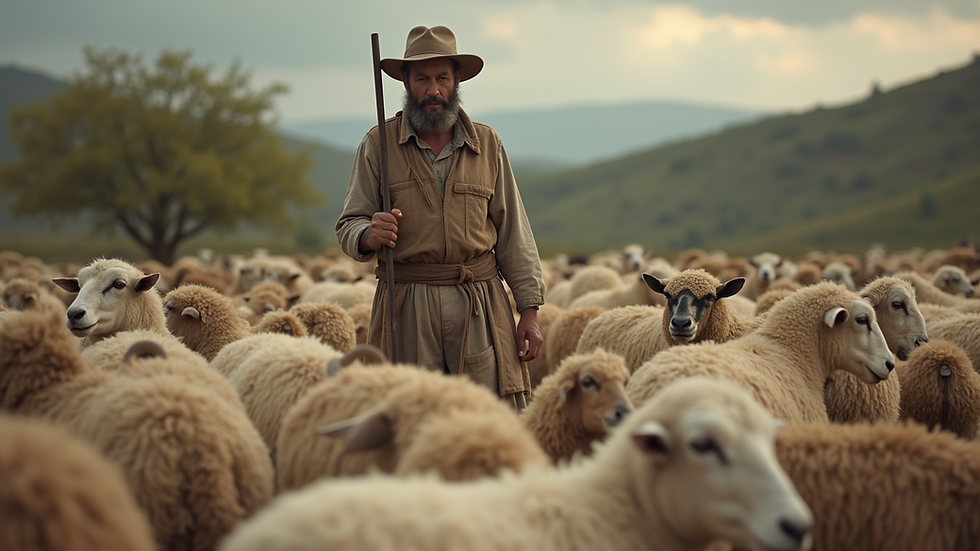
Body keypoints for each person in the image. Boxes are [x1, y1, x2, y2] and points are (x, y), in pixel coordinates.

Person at [336, 25, 544, 410]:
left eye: (442, 78)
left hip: (478, 300)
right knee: (408, 413)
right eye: (422, 79)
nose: (433, 90)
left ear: (457, 79)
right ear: (405, 82)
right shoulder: (378, 145)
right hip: (407, 302)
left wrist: (528, 312)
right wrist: (369, 234)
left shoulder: (488, 145)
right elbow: (349, 223)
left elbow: (515, 234)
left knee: (488, 415)